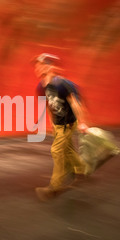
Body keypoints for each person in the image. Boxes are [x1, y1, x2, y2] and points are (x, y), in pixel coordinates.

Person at [32, 53, 90, 202]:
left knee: (57, 150)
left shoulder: (62, 84)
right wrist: (50, 123)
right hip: (58, 124)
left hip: (69, 123)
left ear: (49, 67)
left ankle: (54, 188)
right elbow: (47, 105)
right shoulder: (40, 87)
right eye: (36, 66)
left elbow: (75, 103)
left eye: (41, 65)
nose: (37, 68)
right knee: (68, 149)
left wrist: (82, 122)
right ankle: (81, 170)